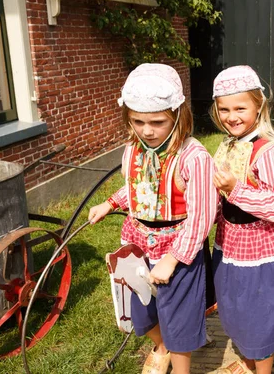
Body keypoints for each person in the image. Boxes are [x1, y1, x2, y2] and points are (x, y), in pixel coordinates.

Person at [88, 63, 218, 374]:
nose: (147, 130)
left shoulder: (194, 157)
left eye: (157, 122)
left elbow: (202, 216)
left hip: (178, 248)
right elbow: (138, 187)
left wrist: (173, 259)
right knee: (142, 314)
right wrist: (111, 203)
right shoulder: (134, 148)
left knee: (179, 318)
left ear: (178, 116)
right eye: (138, 121)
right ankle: (161, 346)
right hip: (137, 244)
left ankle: (181, 364)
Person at [210, 65, 274, 374]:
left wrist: (234, 188)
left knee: (257, 312)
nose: (232, 116)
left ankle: (261, 368)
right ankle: (249, 360)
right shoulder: (227, 145)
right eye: (224, 109)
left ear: (259, 107)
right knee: (236, 307)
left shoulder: (270, 151)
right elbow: (218, 195)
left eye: (240, 107)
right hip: (229, 241)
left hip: (259, 247)